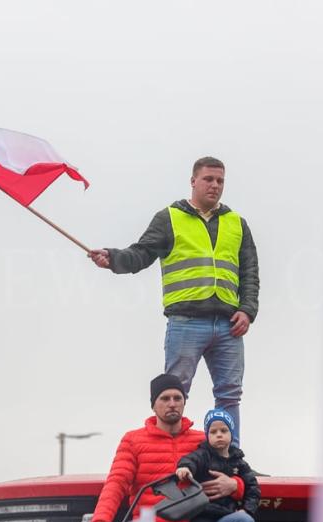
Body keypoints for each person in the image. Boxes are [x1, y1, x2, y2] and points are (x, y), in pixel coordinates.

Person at [88, 157, 259, 446]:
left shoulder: (237, 224)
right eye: (208, 179)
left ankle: (231, 459)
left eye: (220, 180)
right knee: (174, 392)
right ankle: (172, 454)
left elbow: (249, 271)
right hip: (186, 321)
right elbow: (141, 253)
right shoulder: (170, 218)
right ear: (193, 181)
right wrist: (113, 258)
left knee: (230, 393)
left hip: (229, 324)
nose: (215, 185)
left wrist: (247, 310)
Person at [88, 374, 256, 522]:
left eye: (178, 398)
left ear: (184, 403)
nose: (172, 403)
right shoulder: (133, 440)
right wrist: (101, 520)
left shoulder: (204, 439)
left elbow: (238, 468)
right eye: (165, 398)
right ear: (153, 404)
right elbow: (117, 482)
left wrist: (236, 485)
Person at [175, 408, 260, 522]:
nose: (219, 434)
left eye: (223, 430)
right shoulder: (203, 454)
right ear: (207, 436)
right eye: (213, 432)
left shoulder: (239, 462)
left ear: (232, 433)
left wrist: (247, 510)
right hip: (205, 514)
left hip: (228, 514)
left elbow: (253, 488)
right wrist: (185, 468)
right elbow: (191, 460)